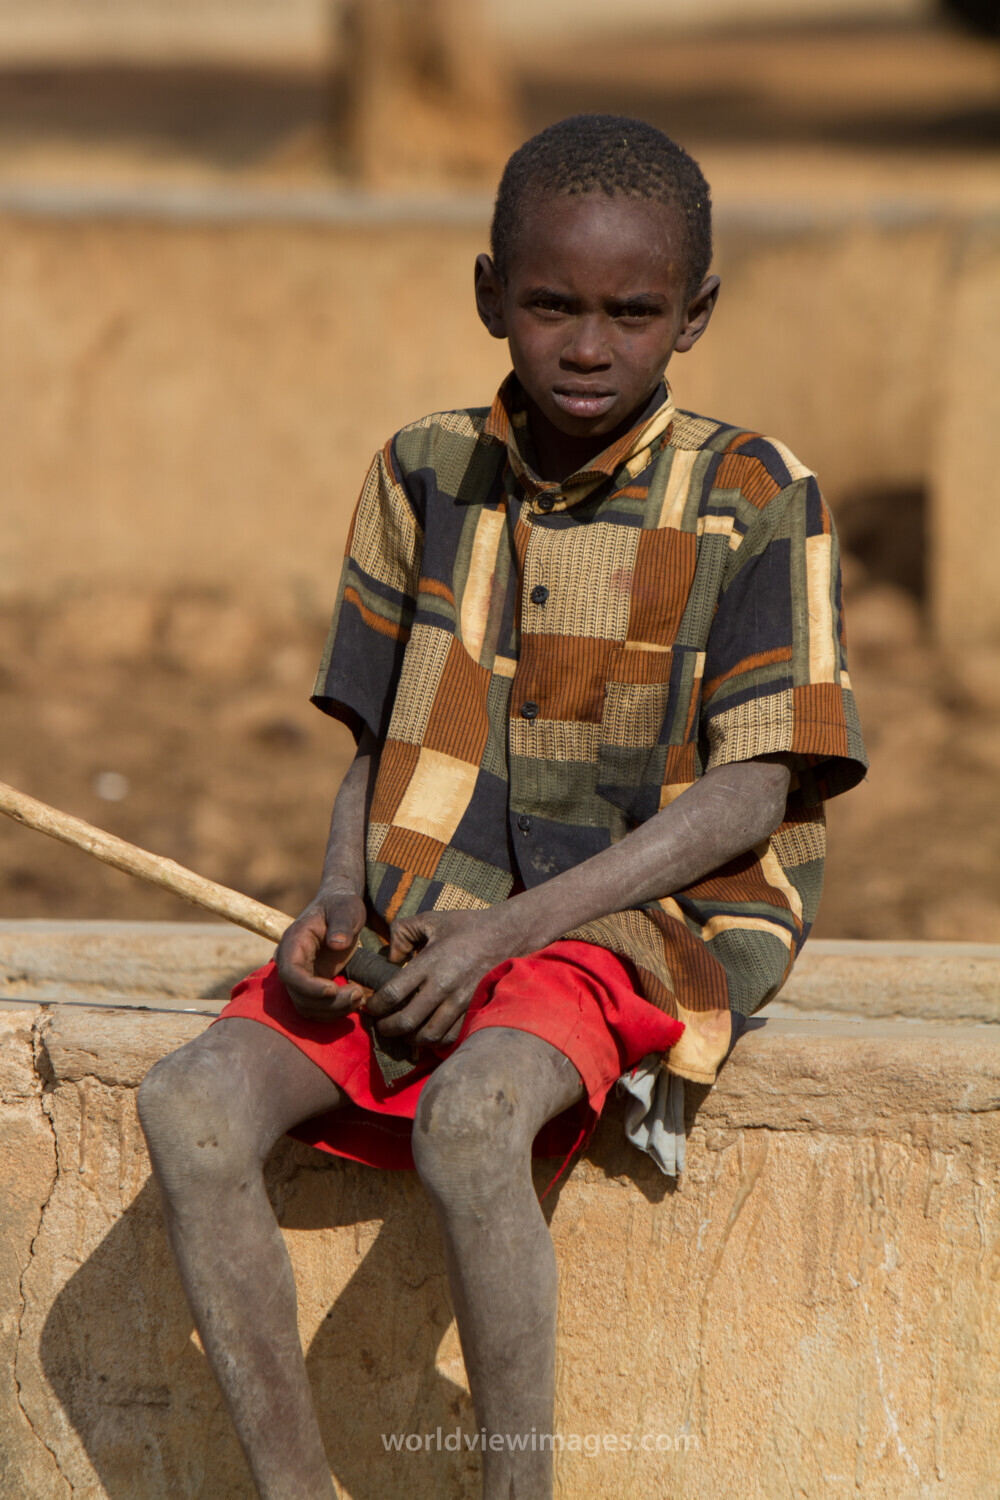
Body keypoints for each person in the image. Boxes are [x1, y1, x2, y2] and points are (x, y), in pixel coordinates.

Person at [137, 114, 867, 1500]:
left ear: (694, 314)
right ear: (491, 295)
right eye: (550, 306)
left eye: (632, 314)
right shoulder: (422, 472)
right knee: (189, 1105)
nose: (588, 347)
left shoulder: (758, 496)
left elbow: (755, 789)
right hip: (428, 910)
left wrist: (511, 933)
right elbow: (371, 741)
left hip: (640, 925)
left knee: (474, 1119)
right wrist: (338, 902)